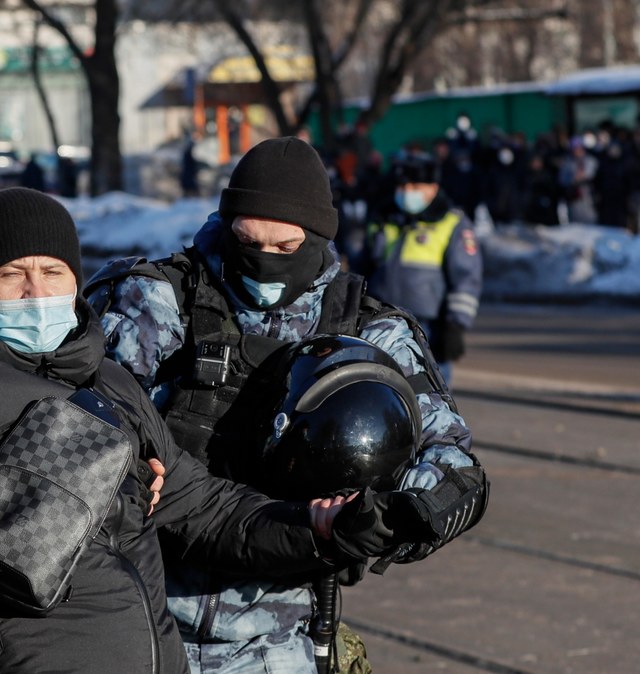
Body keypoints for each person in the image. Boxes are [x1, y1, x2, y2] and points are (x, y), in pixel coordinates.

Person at [0, 186, 432, 674]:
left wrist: (321, 527)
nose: (35, 292)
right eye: (11, 275)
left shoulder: (106, 378)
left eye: (52, 272)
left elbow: (205, 508)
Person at [87, 137, 489, 673]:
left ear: (318, 238)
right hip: (136, 623)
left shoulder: (369, 331)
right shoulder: (155, 302)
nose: (263, 263)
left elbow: (454, 462)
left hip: (280, 642)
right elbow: (85, 423)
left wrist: (399, 518)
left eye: (286, 248)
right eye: (247, 241)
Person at [360, 150, 483, 384]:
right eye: (403, 186)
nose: (407, 193)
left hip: (428, 328)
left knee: (430, 397)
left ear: (433, 188)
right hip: (379, 321)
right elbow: (365, 266)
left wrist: (455, 326)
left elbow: (466, 279)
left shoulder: (452, 223)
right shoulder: (384, 218)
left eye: (415, 186)